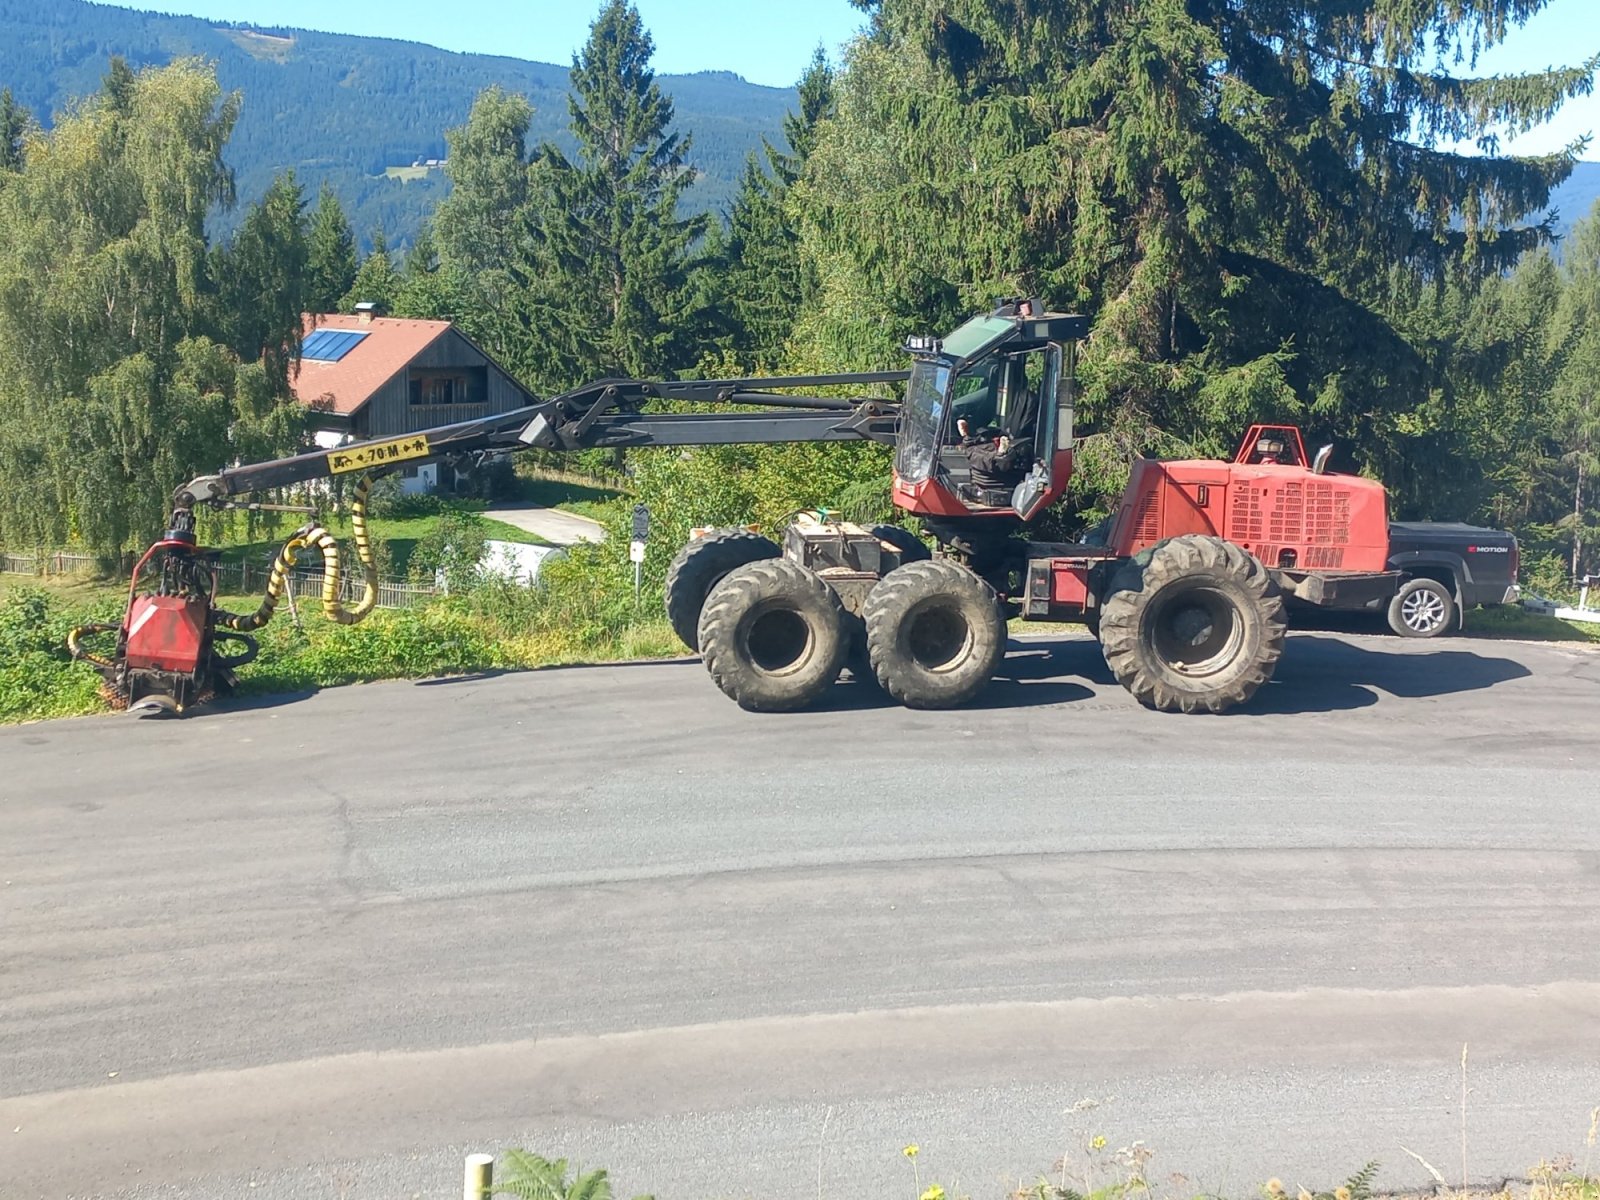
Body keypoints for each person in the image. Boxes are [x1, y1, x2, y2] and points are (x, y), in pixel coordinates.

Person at [957, 417, 1033, 497]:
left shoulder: (977, 447)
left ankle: (1001, 454)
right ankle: (1000, 454)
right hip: (992, 460)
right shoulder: (973, 449)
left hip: (1001, 468)